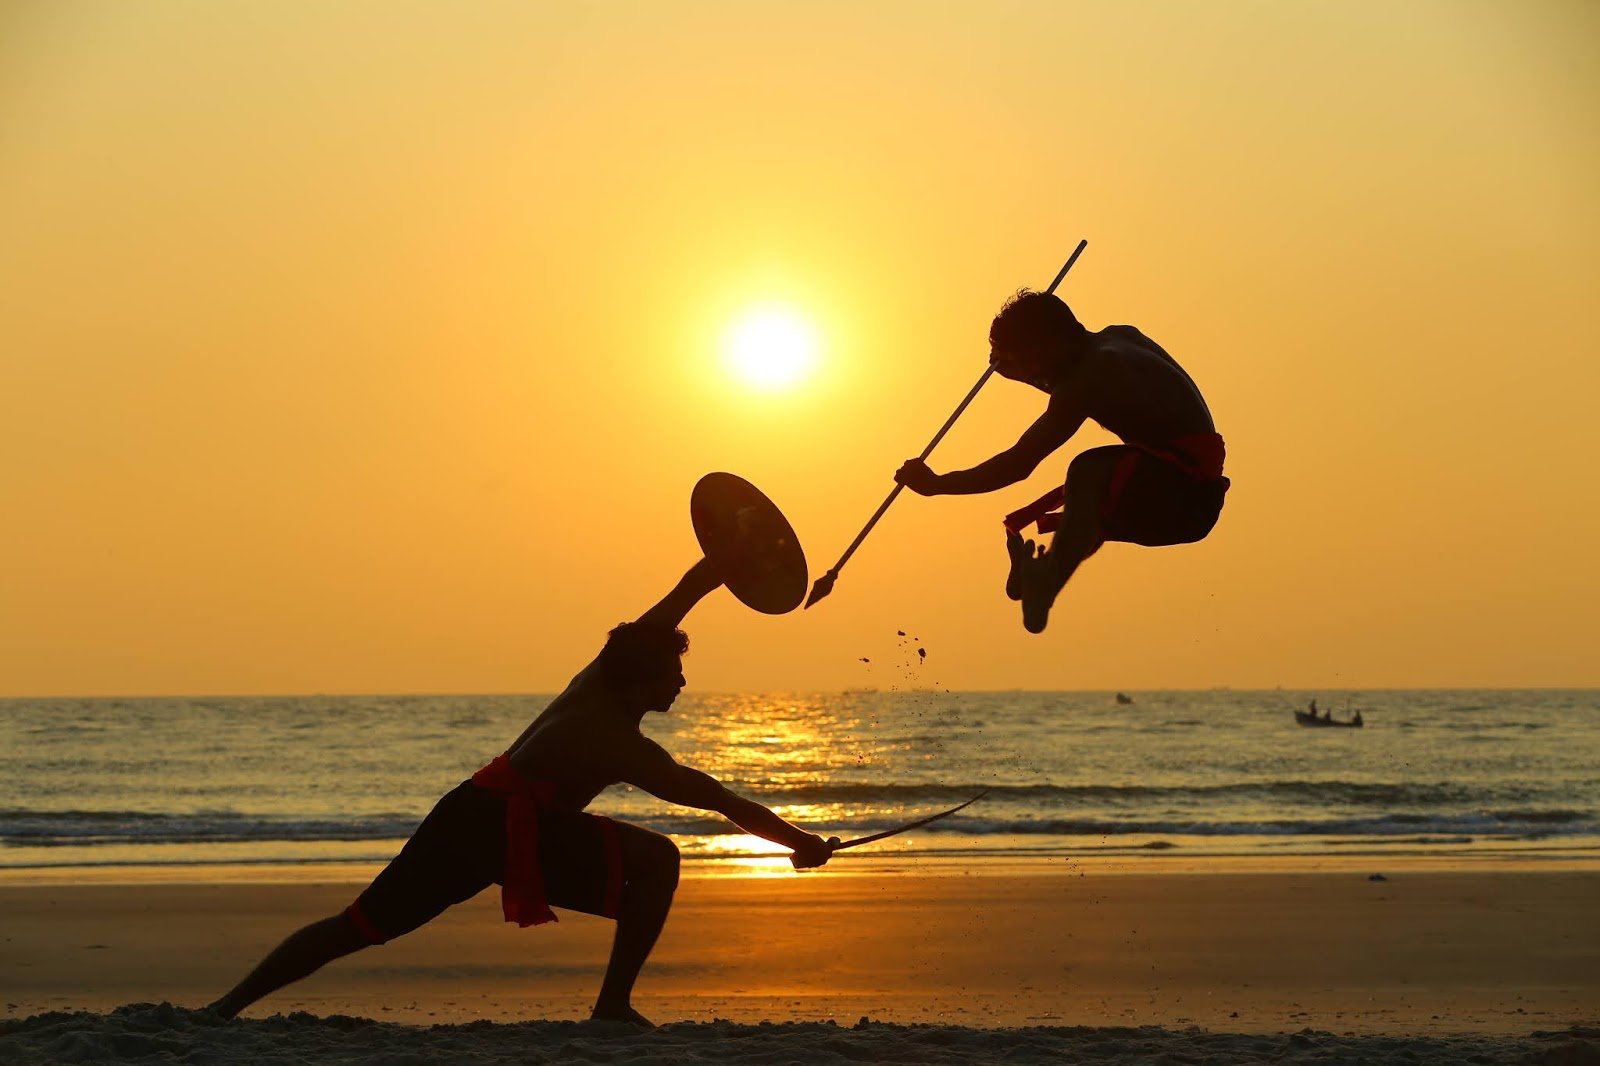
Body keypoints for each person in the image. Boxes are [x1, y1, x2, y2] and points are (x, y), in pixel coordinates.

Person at [205, 558, 835, 1028]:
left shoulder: (596, 678)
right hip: (474, 826)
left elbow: (687, 591)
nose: (682, 680)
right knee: (363, 926)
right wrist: (800, 841)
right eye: (673, 671)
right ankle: (227, 1005)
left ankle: (612, 1006)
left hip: (505, 821)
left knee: (654, 861)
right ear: (644, 678)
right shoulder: (618, 741)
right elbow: (720, 798)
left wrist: (731, 555)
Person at [894, 290, 1229, 633]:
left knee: (1087, 472)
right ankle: (1038, 577)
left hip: (1187, 498)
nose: (1024, 373)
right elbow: (1070, 391)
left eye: (1023, 360)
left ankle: (1048, 580)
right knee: (1087, 505)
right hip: (1178, 488)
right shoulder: (1117, 339)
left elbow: (1019, 463)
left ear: (1051, 344)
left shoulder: (1091, 375)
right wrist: (1022, 372)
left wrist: (938, 484)